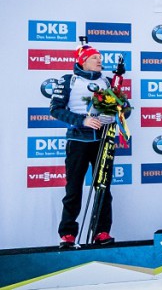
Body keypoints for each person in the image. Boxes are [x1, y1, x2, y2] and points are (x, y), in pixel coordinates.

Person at [49, 44, 131, 248]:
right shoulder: (69, 80)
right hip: (78, 141)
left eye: (100, 57)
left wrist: (113, 115)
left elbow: (125, 108)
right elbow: (55, 109)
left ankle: (101, 232)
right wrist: (82, 121)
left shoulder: (108, 81)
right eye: (94, 57)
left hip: (103, 141)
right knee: (73, 189)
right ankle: (67, 235)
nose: (99, 61)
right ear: (82, 60)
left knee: (103, 188)